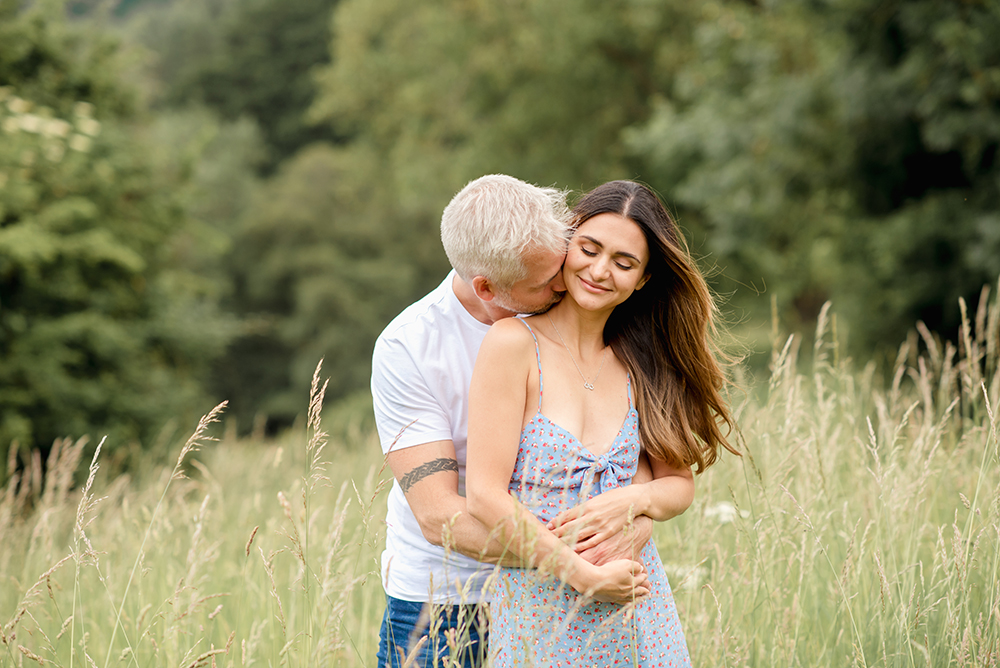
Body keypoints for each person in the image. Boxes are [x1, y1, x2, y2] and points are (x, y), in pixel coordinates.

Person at [371, 175, 663, 667]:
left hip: (560, 602)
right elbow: (439, 516)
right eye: (543, 282)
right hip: (447, 605)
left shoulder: (580, 308)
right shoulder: (410, 347)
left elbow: (624, 449)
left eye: (562, 262)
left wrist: (635, 514)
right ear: (487, 286)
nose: (564, 284)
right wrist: (581, 560)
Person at [466, 180, 739, 666]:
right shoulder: (513, 344)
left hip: (639, 612)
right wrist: (581, 574)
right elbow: (485, 496)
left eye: (623, 262)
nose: (598, 271)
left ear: (644, 279)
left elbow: (677, 484)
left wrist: (637, 501)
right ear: (567, 245)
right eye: (589, 250)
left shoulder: (643, 360)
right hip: (541, 611)